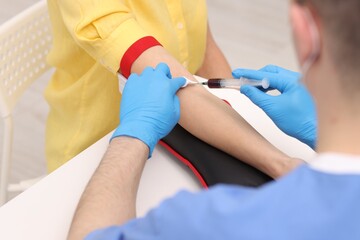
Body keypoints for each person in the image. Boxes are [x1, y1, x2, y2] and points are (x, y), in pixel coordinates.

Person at [69, 0, 360, 239]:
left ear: (304, 31)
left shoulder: (216, 223)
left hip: (127, 164)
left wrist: (133, 134)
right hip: (86, 145)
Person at [46, 0, 293, 175]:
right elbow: (171, 81)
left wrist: (245, 109)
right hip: (96, 148)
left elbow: (204, 47)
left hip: (179, 131)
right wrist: (280, 162)